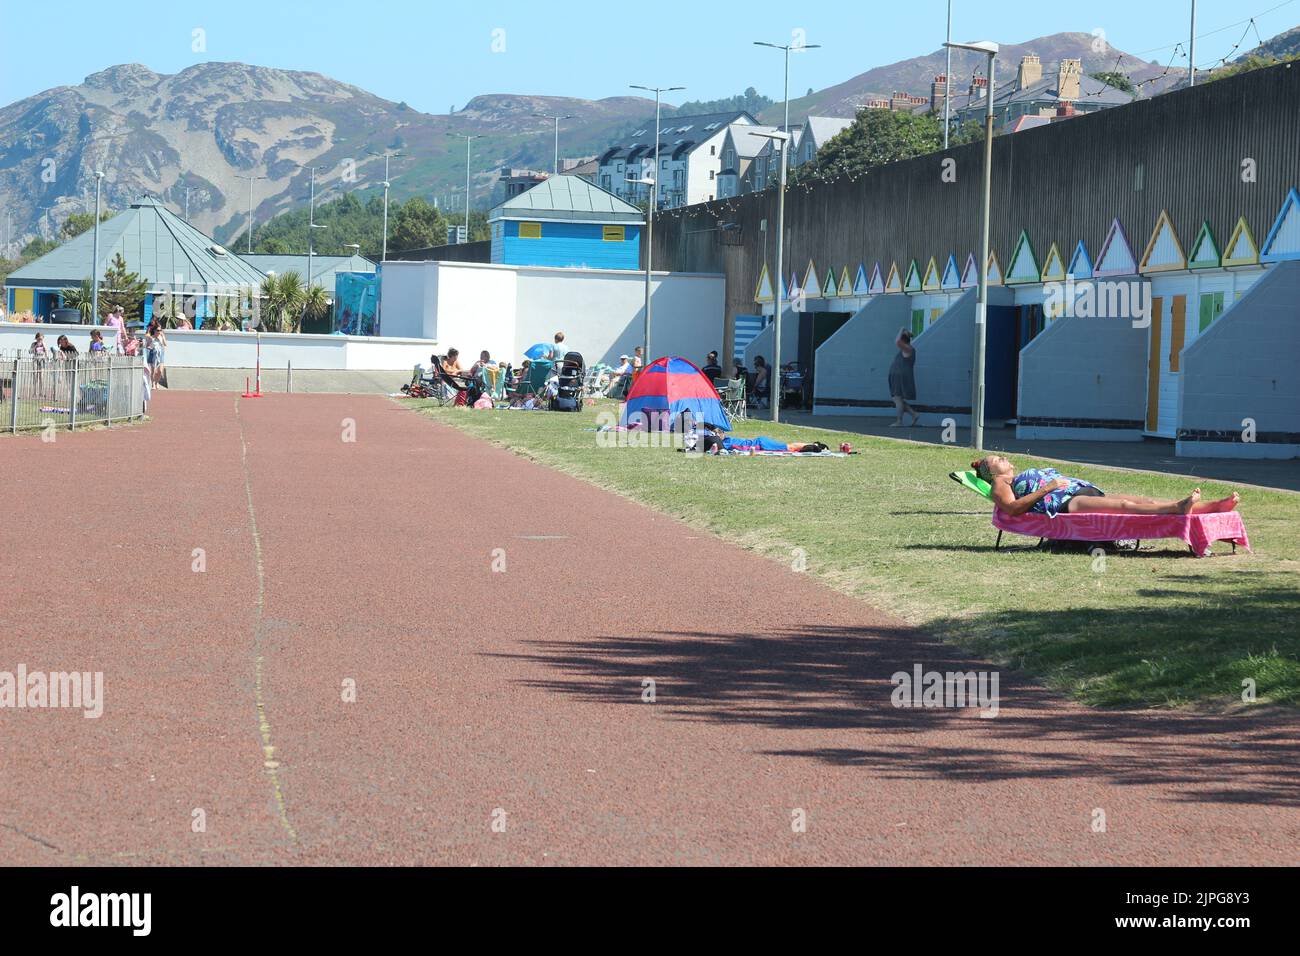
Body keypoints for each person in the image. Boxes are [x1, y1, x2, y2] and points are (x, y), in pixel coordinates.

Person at [971, 455, 1241, 517]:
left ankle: (1213, 508)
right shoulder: (999, 483)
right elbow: (1012, 509)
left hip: (1075, 489)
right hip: (1065, 503)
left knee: (1143, 498)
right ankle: (1178, 508)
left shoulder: (1009, 475)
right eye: (997, 460)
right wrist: (1047, 488)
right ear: (991, 472)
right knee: (1125, 506)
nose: (1003, 458)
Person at [889, 328, 920, 427]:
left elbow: (897, 341)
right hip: (897, 376)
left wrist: (902, 328)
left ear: (903, 340)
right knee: (897, 398)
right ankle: (914, 414)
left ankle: (899, 421)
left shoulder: (908, 348)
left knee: (897, 398)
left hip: (901, 376)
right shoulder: (905, 348)